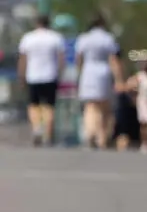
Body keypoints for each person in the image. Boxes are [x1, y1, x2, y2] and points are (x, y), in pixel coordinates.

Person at [74, 15, 125, 150]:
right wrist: (119, 79)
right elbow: (114, 60)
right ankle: (102, 138)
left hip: (88, 72)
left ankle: (91, 132)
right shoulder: (108, 38)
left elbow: (79, 59)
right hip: (103, 72)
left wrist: (79, 73)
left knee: (90, 106)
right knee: (104, 107)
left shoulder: (84, 38)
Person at [16, 14, 65, 146]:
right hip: (50, 75)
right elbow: (61, 59)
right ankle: (47, 134)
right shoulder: (56, 38)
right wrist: (60, 73)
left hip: (33, 76)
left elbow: (23, 59)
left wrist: (21, 76)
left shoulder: (28, 38)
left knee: (34, 105)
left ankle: (37, 128)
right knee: (49, 106)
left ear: (36, 23)